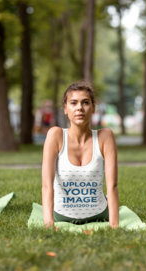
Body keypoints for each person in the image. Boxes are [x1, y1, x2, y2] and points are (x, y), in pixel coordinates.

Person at [41, 81, 119, 228]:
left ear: (93, 108)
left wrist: (114, 225)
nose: (79, 108)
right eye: (73, 103)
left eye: (85, 103)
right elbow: (46, 185)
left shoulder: (105, 136)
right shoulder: (56, 135)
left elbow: (112, 186)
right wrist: (49, 223)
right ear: (65, 108)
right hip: (62, 215)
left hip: (100, 214)